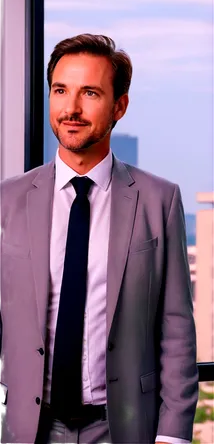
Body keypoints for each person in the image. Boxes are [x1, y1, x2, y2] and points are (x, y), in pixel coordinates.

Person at [0, 34, 198, 444]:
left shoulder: (159, 200)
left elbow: (176, 329)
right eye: (60, 91)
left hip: (124, 429)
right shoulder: (8, 200)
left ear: (119, 106)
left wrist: (173, 436)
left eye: (89, 93)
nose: (70, 108)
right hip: (28, 430)